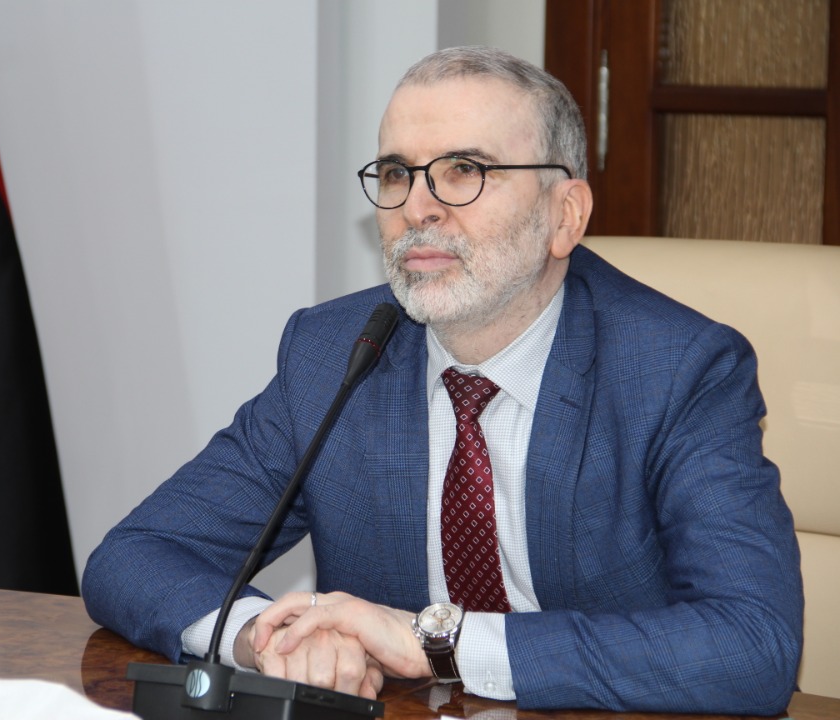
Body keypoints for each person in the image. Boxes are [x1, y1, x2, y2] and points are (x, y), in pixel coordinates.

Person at [82, 46, 802, 714]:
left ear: (565, 216)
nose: (417, 207)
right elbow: (133, 556)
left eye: (464, 169)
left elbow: (753, 644)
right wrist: (268, 638)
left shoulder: (679, 370)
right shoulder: (334, 353)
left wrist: (440, 644)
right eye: (397, 173)